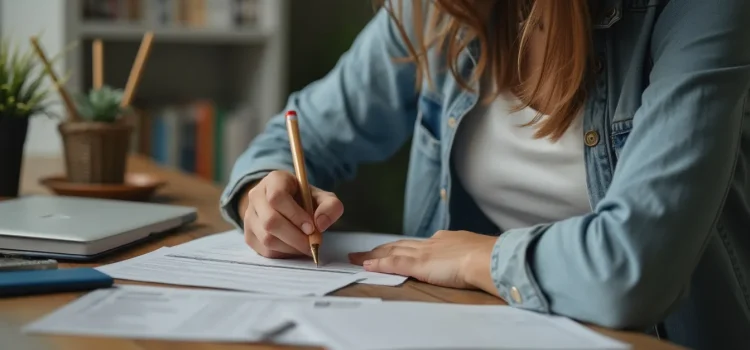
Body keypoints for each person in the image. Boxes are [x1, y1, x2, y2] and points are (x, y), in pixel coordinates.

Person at [218, 1, 750, 349]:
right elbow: (302, 131)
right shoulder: (441, 10)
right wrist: (262, 192)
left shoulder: (700, 13)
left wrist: (480, 256)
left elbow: (632, 270)